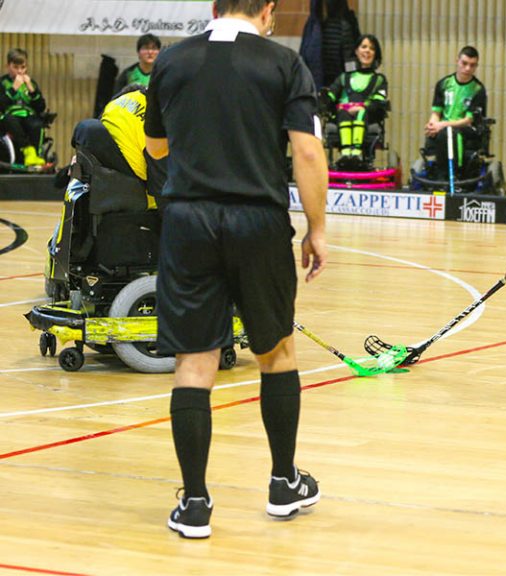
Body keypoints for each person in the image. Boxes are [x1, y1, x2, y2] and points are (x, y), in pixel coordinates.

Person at [144, 0, 328, 539]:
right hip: (257, 219)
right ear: (267, 10)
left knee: (194, 363)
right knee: (277, 351)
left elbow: (157, 144)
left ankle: (196, 504)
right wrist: (316, 228)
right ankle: (282, 483)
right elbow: (308, 152)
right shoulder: (283, 63)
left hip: (188, 220)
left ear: (214, 7)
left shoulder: (171, 62)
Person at [423, 45, 487, 181]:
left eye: (472, 65)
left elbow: (469, 120)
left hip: (466, 128)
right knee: (438, 132)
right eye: (464, 63)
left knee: (448, 133)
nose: (468, 68)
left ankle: (451, 174)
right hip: (444, 127)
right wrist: (433, 124)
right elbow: (436, 112)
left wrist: (443, 125)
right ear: (457, 61)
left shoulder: (478, 90)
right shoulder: (443, 84)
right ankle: (439, 173)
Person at [324, 34, 388, 161]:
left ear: (375, 54)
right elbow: (330, 94)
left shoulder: (379, 80)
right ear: (357, 52)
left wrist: (360, 107)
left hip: (367, 115)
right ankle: (346, 153)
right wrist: (324, 101)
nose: (367, 51)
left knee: (361, 112)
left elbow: (378, 102)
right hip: (343, 113)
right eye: (364, 47)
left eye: (372, 48)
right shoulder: (344, 77)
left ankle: (356, 153)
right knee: (343, 113)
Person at [0, 48, 47, 166]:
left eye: (23, 67)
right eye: (15, 68)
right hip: (10, 116)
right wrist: (13, 89)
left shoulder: (31, 83)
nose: (20, 71)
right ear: (8, 66)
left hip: (28, 115)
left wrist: (32, 89)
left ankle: (35, 155)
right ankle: (27, 150)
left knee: (36, 124)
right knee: (10, 121)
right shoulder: (2, 82)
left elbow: (41, 107)